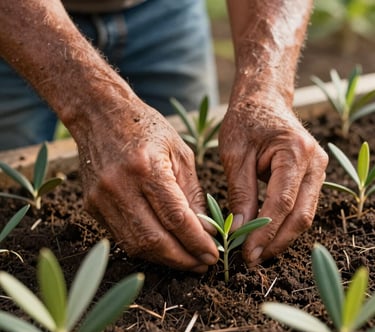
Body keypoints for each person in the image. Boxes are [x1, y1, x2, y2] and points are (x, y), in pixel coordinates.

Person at [0, 0, 328, 273]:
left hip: (168, 12)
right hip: (19, 19)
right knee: (13, 205)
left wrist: (266, 88)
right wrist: (93, 108)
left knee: (172, 177)